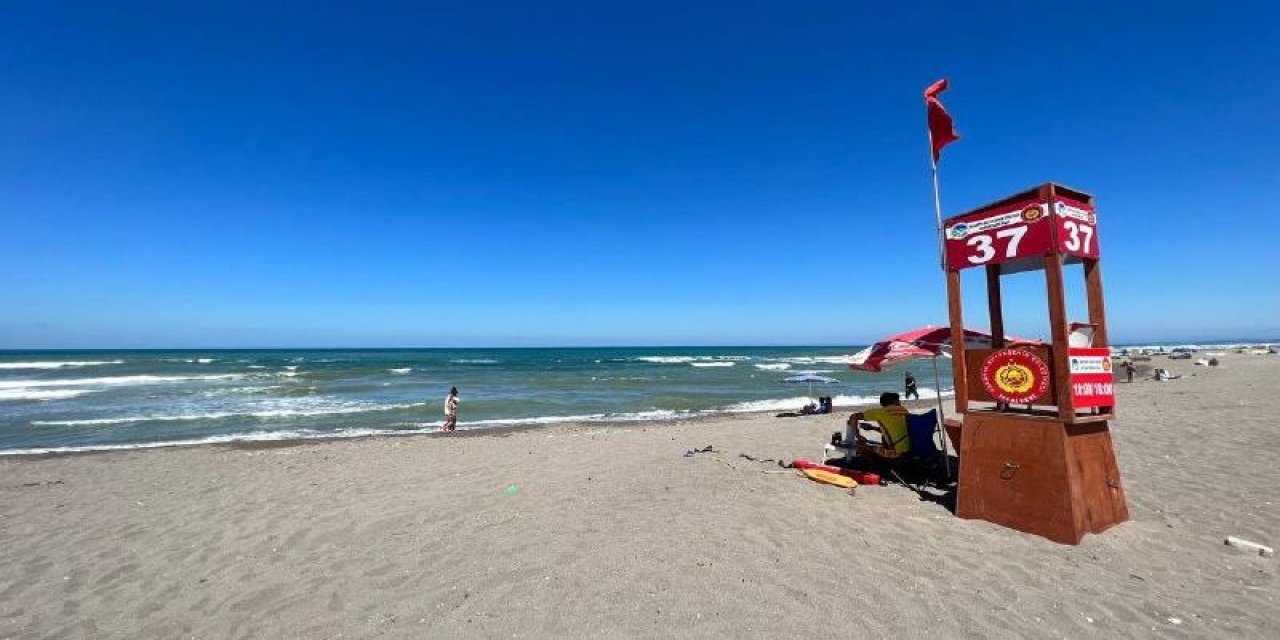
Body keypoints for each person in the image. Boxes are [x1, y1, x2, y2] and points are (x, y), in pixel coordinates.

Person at [848, 392, 911, 459]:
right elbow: (895, 429)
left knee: (862, 446)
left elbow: (853, 417)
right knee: (878, 443)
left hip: (895, 453)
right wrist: (872, 428)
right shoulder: (904, 410)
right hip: (909, 450)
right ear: (895, 401)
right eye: (899, 400)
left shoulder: (881, 412)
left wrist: (858, 436)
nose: (900, 402)